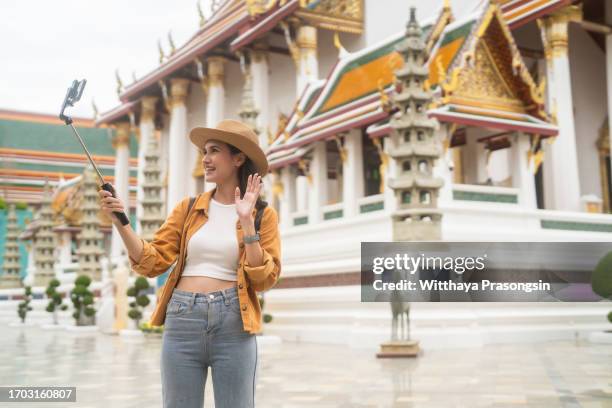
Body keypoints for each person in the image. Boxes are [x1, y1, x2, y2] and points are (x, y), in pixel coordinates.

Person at [98, 119, 282, 408]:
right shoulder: (187, 209)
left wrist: (247, 224)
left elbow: (263, 280)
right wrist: (120, 222)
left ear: (238, 158)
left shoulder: (262, 216)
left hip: (234, 320)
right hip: (183, 316)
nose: (205, 159)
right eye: (204, 152)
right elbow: (152, 261)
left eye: (214, 151)